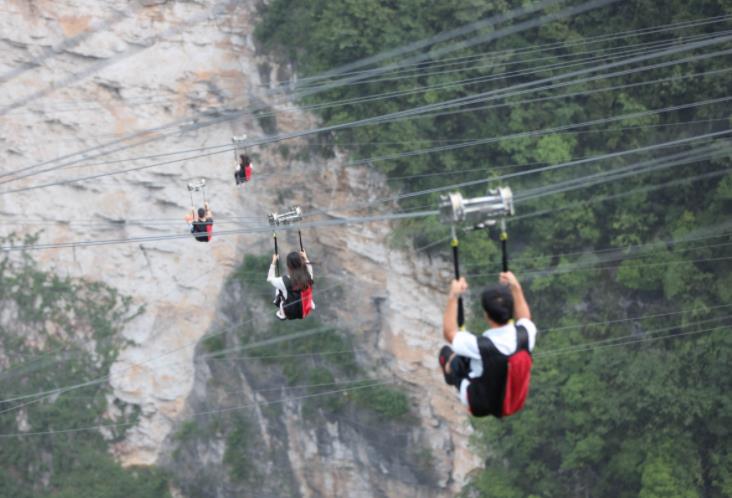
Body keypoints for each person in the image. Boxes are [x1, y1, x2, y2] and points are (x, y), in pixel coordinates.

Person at [438, 271, 537, 418]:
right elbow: (524, 317)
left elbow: (449, 333)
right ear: (511, 311)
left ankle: (450, 372)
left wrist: (454, 296)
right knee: (470, 357)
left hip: (479, 404)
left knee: (450, 355)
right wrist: (516, 287)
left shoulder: (479, 346)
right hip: (511, 401)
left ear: (486, 315)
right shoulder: (526, 335)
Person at [267, 251, 314, 320]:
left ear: (288, 266)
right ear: (301, 263)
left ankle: (282, 313)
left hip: (290, 313)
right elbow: (309, 267)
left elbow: (270, 278)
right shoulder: (308, 276)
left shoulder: (284, 281)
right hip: (305, 310)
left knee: (279, 289)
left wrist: (274, 261)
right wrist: (305, 258)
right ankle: (311, 304)